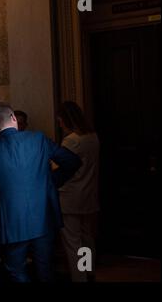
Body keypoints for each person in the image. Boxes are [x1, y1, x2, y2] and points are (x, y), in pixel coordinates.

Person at [0, 102, 81, 282]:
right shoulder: (39, 139)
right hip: (43, 219)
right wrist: (50, 181)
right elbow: (72, 161)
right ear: (13, 117)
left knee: (16, 273)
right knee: (45, 272)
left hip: (11, 225)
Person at [57, 101, 100, 282]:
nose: (59, 122)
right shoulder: (93, 137)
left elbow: (58, 166)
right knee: (87, 238)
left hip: (71, 196)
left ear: (66, 119)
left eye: (60, 119)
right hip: (89, 193)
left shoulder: (71, 140)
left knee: (73, 242)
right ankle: (89, 272)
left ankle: (79, 277)